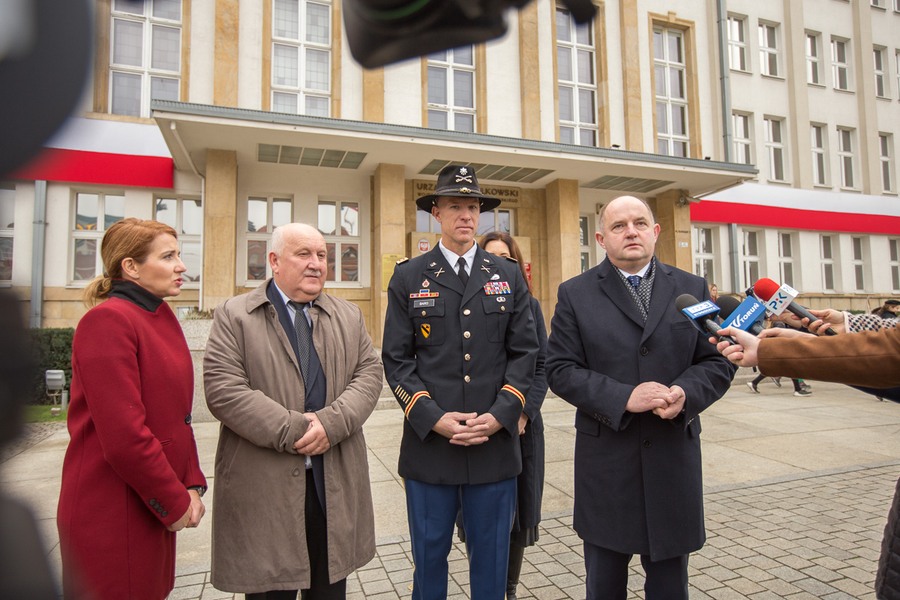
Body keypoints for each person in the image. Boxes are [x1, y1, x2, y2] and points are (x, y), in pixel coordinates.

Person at [545, 195, 734, 600]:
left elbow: (717, 361)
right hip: (607, 467)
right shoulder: (575, 294)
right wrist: (624, 397)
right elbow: (560, 369)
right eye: (619, 226)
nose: (631, 232)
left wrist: (686, 393)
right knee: (604, 587)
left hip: (671, 462)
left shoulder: (692, 289)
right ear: (600, 238)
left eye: (640, 223)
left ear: (656, 231)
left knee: (670, 588)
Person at [382, 165, 539, 600]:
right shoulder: (409, 276)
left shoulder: (506, 274)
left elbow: (526, 352)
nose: (466, 215)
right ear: (436, 213)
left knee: (491, 566)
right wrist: (432, 418)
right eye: (455, 206)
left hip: (493, 449)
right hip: (431, 450)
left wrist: (501, 415)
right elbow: (397, 359)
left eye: (472, 206)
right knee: (429, 562)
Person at [203, 223, 383, 599]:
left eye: (322, 255)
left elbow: (369, 374)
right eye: (303, 254)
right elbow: (224, 390)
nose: (316, 263)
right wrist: (297, 429)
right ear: (274, 261)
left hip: (332, 489)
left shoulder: (348, 316)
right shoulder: (235, 315)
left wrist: (331, 424)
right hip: (266, 494)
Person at [57, 218, 207, 600]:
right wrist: (173, 500)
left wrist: (191, 481)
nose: (181, 266)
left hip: (149, 498)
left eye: (179, 255)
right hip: (113, 509)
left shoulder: (158, 314)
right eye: (168, 256)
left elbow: (177, 418)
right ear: (131, 267)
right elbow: (124, 436)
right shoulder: (107, 321)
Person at [478, 231, 548, 600]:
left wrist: (522, 413)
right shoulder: (468, 305)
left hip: (521, 429)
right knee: (481, 515)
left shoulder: (530, 306)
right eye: (490, 257)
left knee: (517, 516)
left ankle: (508, 589)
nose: (498, 265)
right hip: (481, 426)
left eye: (506, 258)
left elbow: (542, 366)